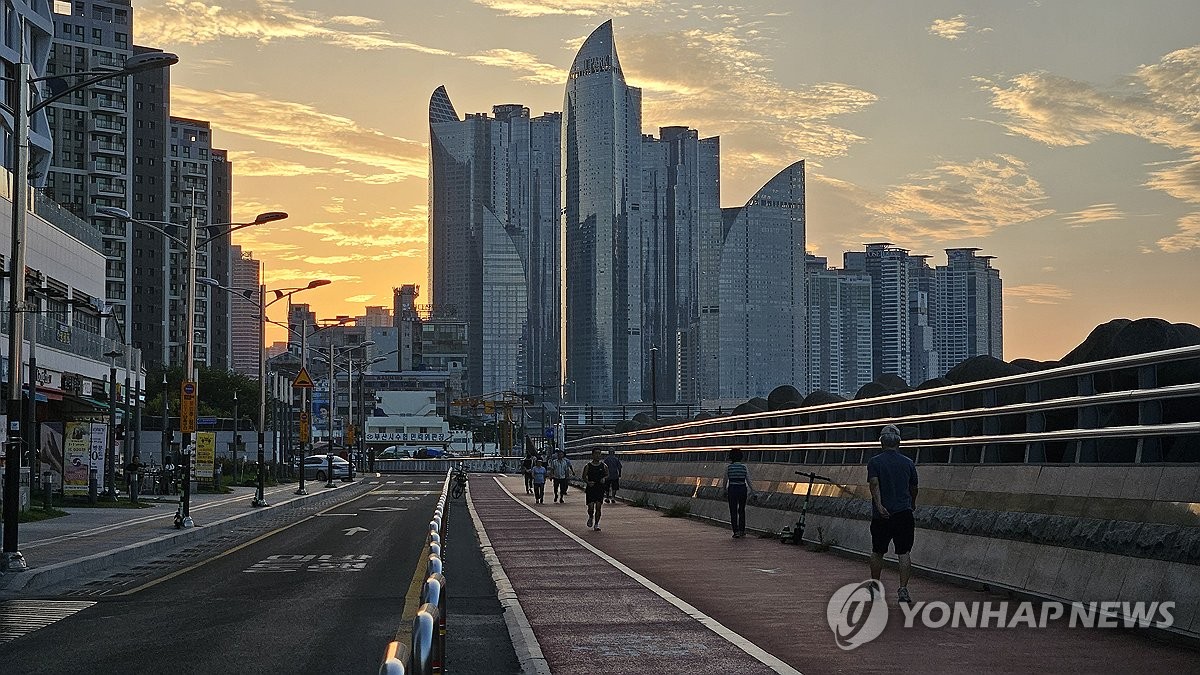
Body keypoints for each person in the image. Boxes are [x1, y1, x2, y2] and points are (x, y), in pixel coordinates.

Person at [867, 424, 919, 604]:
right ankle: (903, 589)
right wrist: (911, 504)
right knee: (903, 552)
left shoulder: (875, 462)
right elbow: (914, 488)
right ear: (899, 442)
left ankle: (875, 587)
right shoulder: (908, 463)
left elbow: (874, 484)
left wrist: (879, 506)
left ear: (881, 441)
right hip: (903, 513)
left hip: (881, 515)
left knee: (878, 551)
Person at [724, 449, 754, 538]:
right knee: (741, 510)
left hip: (732, 488)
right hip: (742, 488)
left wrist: (724, 490)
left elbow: (725, 480)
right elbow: (748, 480)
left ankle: (735, 531)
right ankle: (742, 530)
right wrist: (753, 491)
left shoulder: (728, 468)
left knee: (733, 511)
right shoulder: (744, 467)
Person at [582, 449, 609, 531]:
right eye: (596, 454)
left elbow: (607, 475)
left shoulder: (604, 466)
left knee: (598, 507)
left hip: (599, 488)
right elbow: (583, 476)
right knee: (590, 507)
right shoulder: (588, 466)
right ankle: (590, 516)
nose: (598, 455)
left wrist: (604, 478)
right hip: (591, 488)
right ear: (592, 455)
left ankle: (596, 524)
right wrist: (588, 482)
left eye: (599, 454)